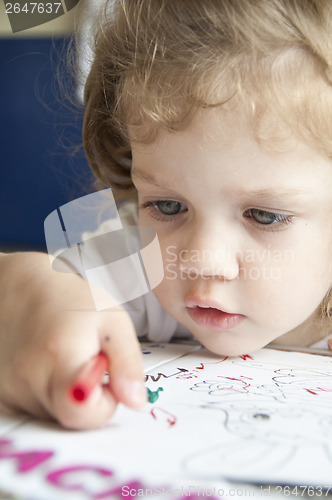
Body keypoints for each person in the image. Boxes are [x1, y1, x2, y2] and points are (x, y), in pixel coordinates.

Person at [1, 0, 332, 430]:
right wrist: (26, 291)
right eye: (168, 206)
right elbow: (33, 296)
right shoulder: (142, 259)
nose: (200, 258)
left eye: (263, 216)